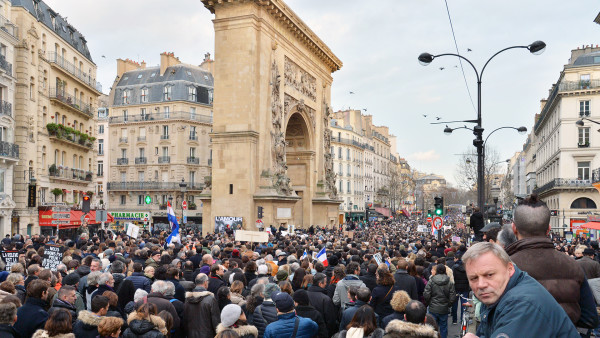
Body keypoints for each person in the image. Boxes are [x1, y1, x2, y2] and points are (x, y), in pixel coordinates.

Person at [505, 194, 596, 327]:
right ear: (548, 229)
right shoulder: (573, 265)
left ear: (514, 228)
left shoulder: (504, 267)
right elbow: (590, 318)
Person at [462, 242, 579, 338]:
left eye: (489, 275)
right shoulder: (495, 295)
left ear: (510, 269)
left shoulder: (522, 303)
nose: (481, 284)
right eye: (474, 278)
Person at [183, 273, 220, 338]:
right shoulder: (210, 299)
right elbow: (216, 321)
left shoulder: (188, 299)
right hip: (207, 335)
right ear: (205, 283)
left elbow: (185, 319)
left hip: (191, 334)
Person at [423, 264, 455, 338]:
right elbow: (452, 296)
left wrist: (429, 303)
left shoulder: (431, 281)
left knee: (433, 327)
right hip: (444, 308)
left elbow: (426, 294)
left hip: (433, 307)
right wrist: (448, 304)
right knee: (443, 327)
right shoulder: (449, 282)